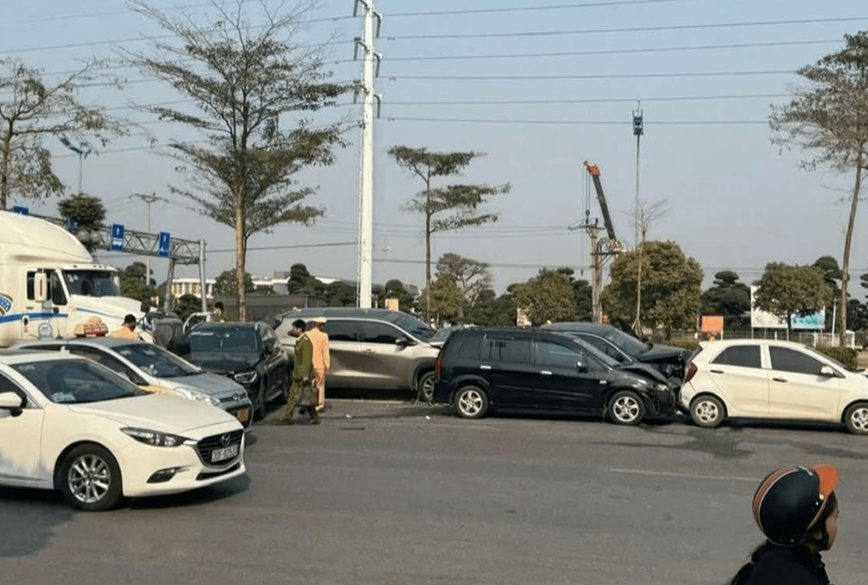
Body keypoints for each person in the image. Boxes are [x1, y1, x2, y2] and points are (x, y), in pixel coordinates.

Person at [728, 464, 840, 585]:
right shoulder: (801, 578)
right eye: (835, 517)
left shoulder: (765, 562)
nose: (836, 524)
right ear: (815, 527)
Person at [279, 320, 315, 424]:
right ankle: (312, 417)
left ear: (299, 329)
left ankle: (287, 417)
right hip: (298, 374)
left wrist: (305, 375)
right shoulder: (300, 341)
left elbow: (306, 360)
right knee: (303, 396)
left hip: (303, 375)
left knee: (299, 396)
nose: (293, 330)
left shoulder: (305, 342)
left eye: (294, 328)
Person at [306, 316, 330, 411]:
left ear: (313, 324)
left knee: (309, 385)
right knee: (320, 385)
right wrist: (327, 365)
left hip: (309, 365)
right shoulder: (324, 336)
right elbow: (325, 352)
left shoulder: (307, 334)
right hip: (320, 365)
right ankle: (319, 404)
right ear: (322, 326)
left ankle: (308, 402)